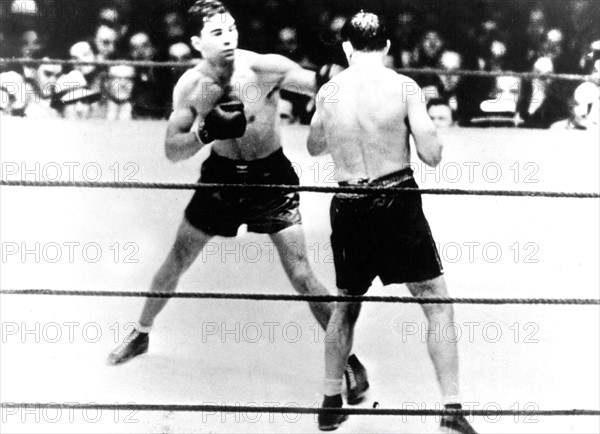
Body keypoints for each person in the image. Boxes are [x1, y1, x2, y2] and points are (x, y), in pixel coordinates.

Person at [107, 0, 369, 405]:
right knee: (176, 259)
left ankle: (349, 360)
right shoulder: (191, 88)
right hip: (221, 179)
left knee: (302, 275)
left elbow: (320, 84)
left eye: (231, 29)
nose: (228, 37)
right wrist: (204, 133)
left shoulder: (263, 69)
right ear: (197, 42)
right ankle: (141, 334)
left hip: (272, 179)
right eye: (217, 32)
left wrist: (342, 72)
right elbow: (172, 151)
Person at [307, 12, 477, 433]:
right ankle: (452, 408)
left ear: (346, 48)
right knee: (437, 303)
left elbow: (313, 147)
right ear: (385, 47)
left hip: (349, 202)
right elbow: (431, 155)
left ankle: (330, 402)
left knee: (345, 305)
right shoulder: (403, 87)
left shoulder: (329, 91)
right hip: (396, 198)